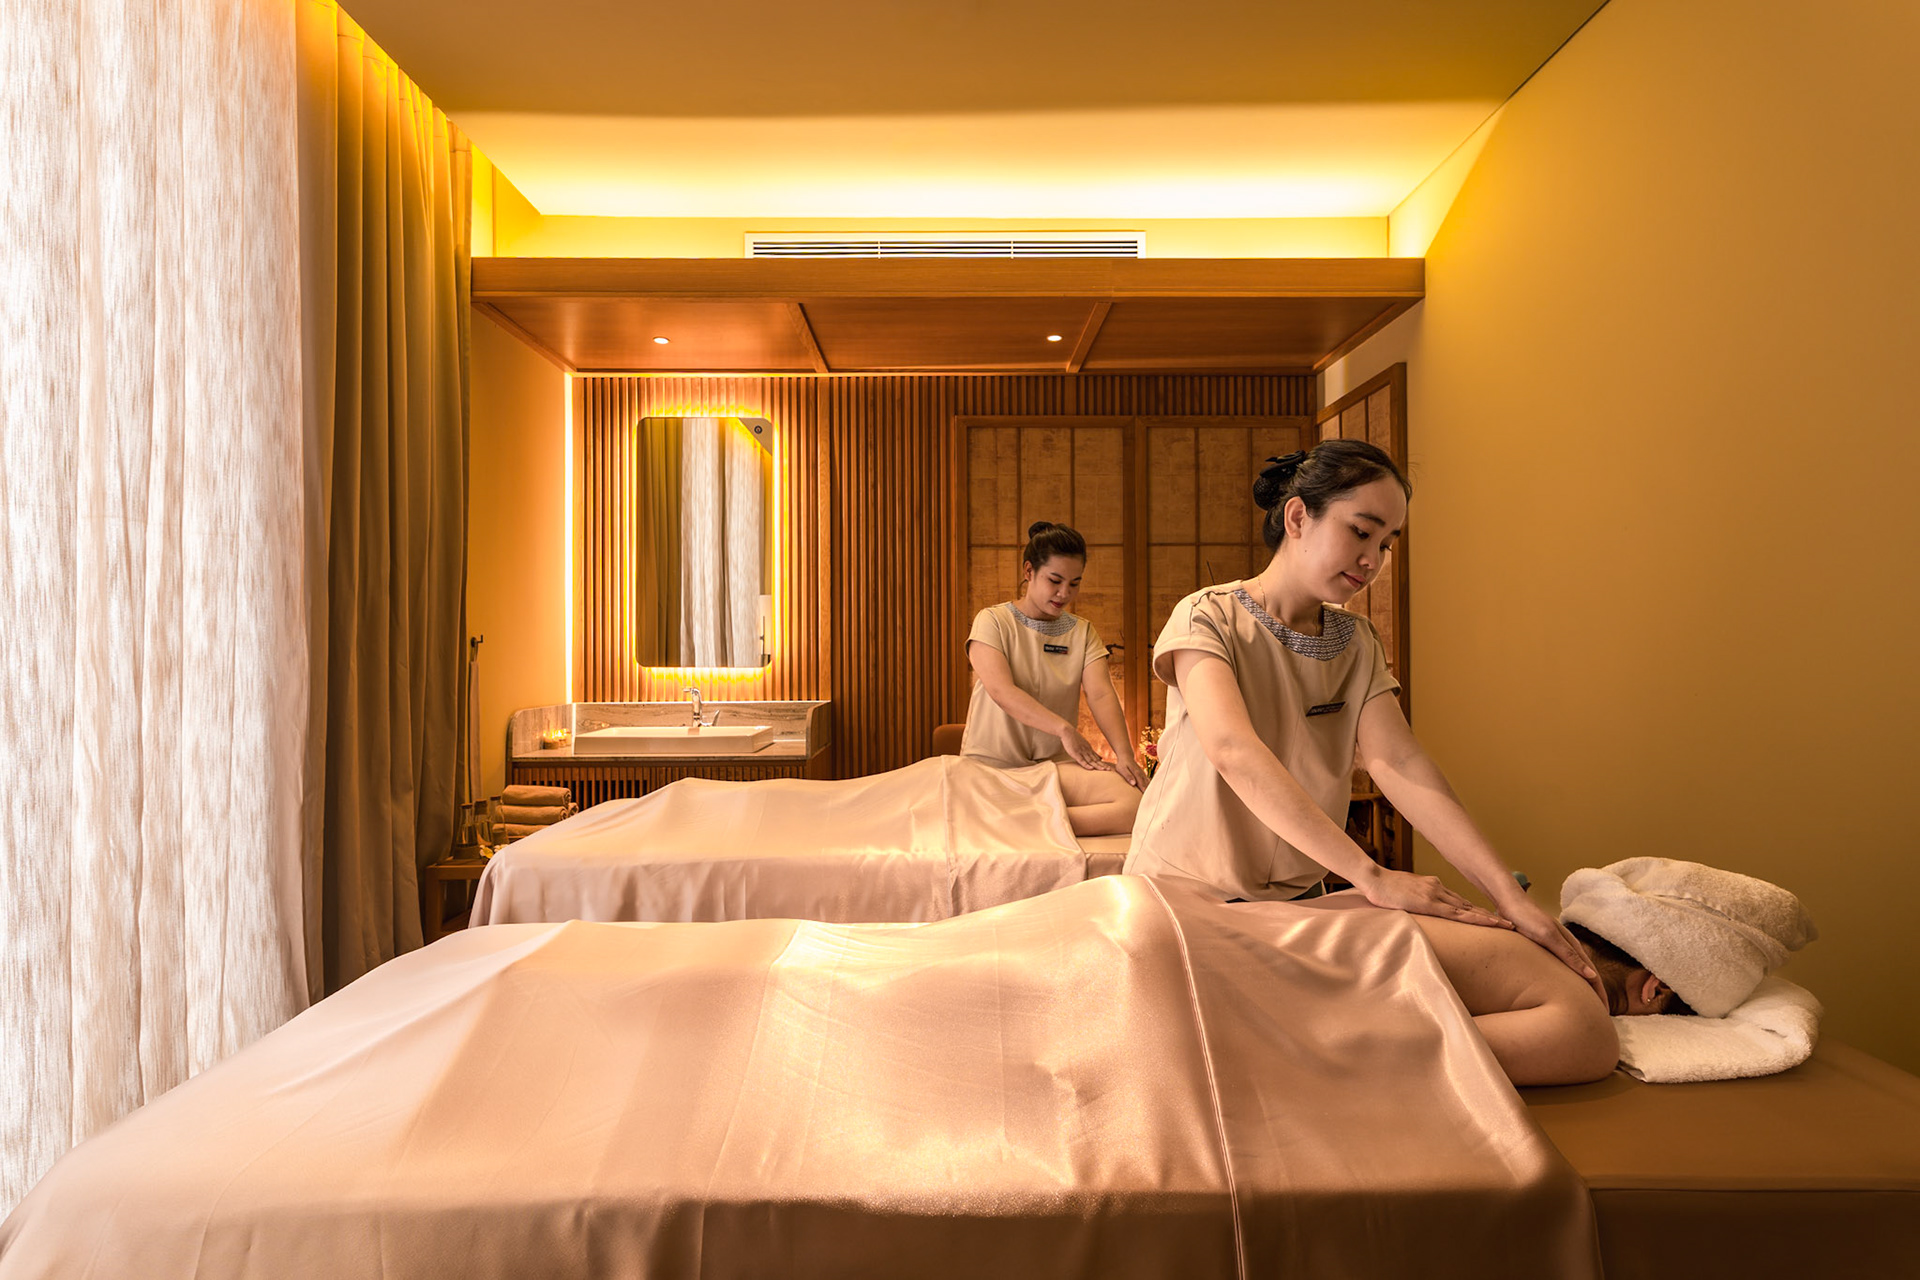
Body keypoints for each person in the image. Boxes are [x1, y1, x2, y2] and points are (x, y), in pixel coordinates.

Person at [1124, 441, 1600, 990]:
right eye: (1360, 531)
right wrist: (1370, 875)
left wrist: (1507, 895)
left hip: (1299, 902)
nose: (1373, 559)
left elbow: (1399, 762)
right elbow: (1233, 751)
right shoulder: (1207, 616)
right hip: (1185, 895)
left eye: (1386, 542)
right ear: (1297, 517)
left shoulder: (1357, 641)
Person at [962, 521, 1145, 836]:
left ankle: (1018, 824)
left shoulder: (1082, 632)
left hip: (1053, 768)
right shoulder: (992, 622)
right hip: (994, 768)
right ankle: (1022, 820)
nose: (1064, 593)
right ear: (1029, 571)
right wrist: (1064, 730)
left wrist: (1125, 754)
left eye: (1074, 583)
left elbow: (1101, 694)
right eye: (1055, 580)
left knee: (1136, 802)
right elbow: (1002, 692)